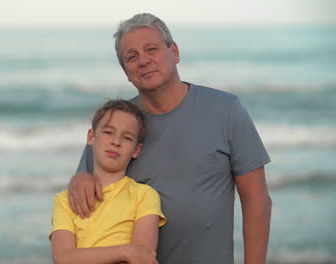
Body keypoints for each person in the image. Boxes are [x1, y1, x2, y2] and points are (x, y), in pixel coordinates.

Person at [68, 13, 272, 264]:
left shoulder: (226, 110)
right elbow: (85, 183)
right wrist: (80, 178)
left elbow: (256, 198)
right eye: (131, 57)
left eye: (151, 49)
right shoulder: (118, 125)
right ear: (126, 72)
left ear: (174, 52)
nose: (143, 61)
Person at [50, 99, 166, 264]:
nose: (116, 142)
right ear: (91, 137)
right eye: (108, 132)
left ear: (136, 150)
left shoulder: (144, 196)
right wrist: (126, 251)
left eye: (126, 137)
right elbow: (63, 258)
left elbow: (143, 257)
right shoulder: (64, 200)